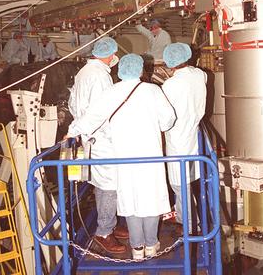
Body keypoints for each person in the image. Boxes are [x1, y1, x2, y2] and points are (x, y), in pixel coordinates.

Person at [66, 53, 176, 260]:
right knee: (151, 199)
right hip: (150, 157)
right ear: (141, 70)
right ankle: (151, 245)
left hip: (123, 157)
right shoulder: (153, 90)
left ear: (121, 71)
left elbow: (91, 118)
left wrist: (71, 131)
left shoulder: (111, 92)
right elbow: (168, 120)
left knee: (130, 200)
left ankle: (137, 248)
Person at [68, 36, 126, 253]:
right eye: (113, 54)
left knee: (101, 183)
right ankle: (104, 232)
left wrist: (79, 127)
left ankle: (109, 224)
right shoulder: (100, 76)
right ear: (110, 54)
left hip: (90, 136)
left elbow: (72, 104)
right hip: (100, 138)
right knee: (109, 184)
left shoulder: (84, 72)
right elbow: (101, 111)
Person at [162, 43, 207, 234]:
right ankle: (183, 217)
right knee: (188, 181)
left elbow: (165, 117)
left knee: (179, 184)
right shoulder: (200, 74)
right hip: (194, 134)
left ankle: (189, 226)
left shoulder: (170, 85)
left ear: (170, 63)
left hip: (177, 138)